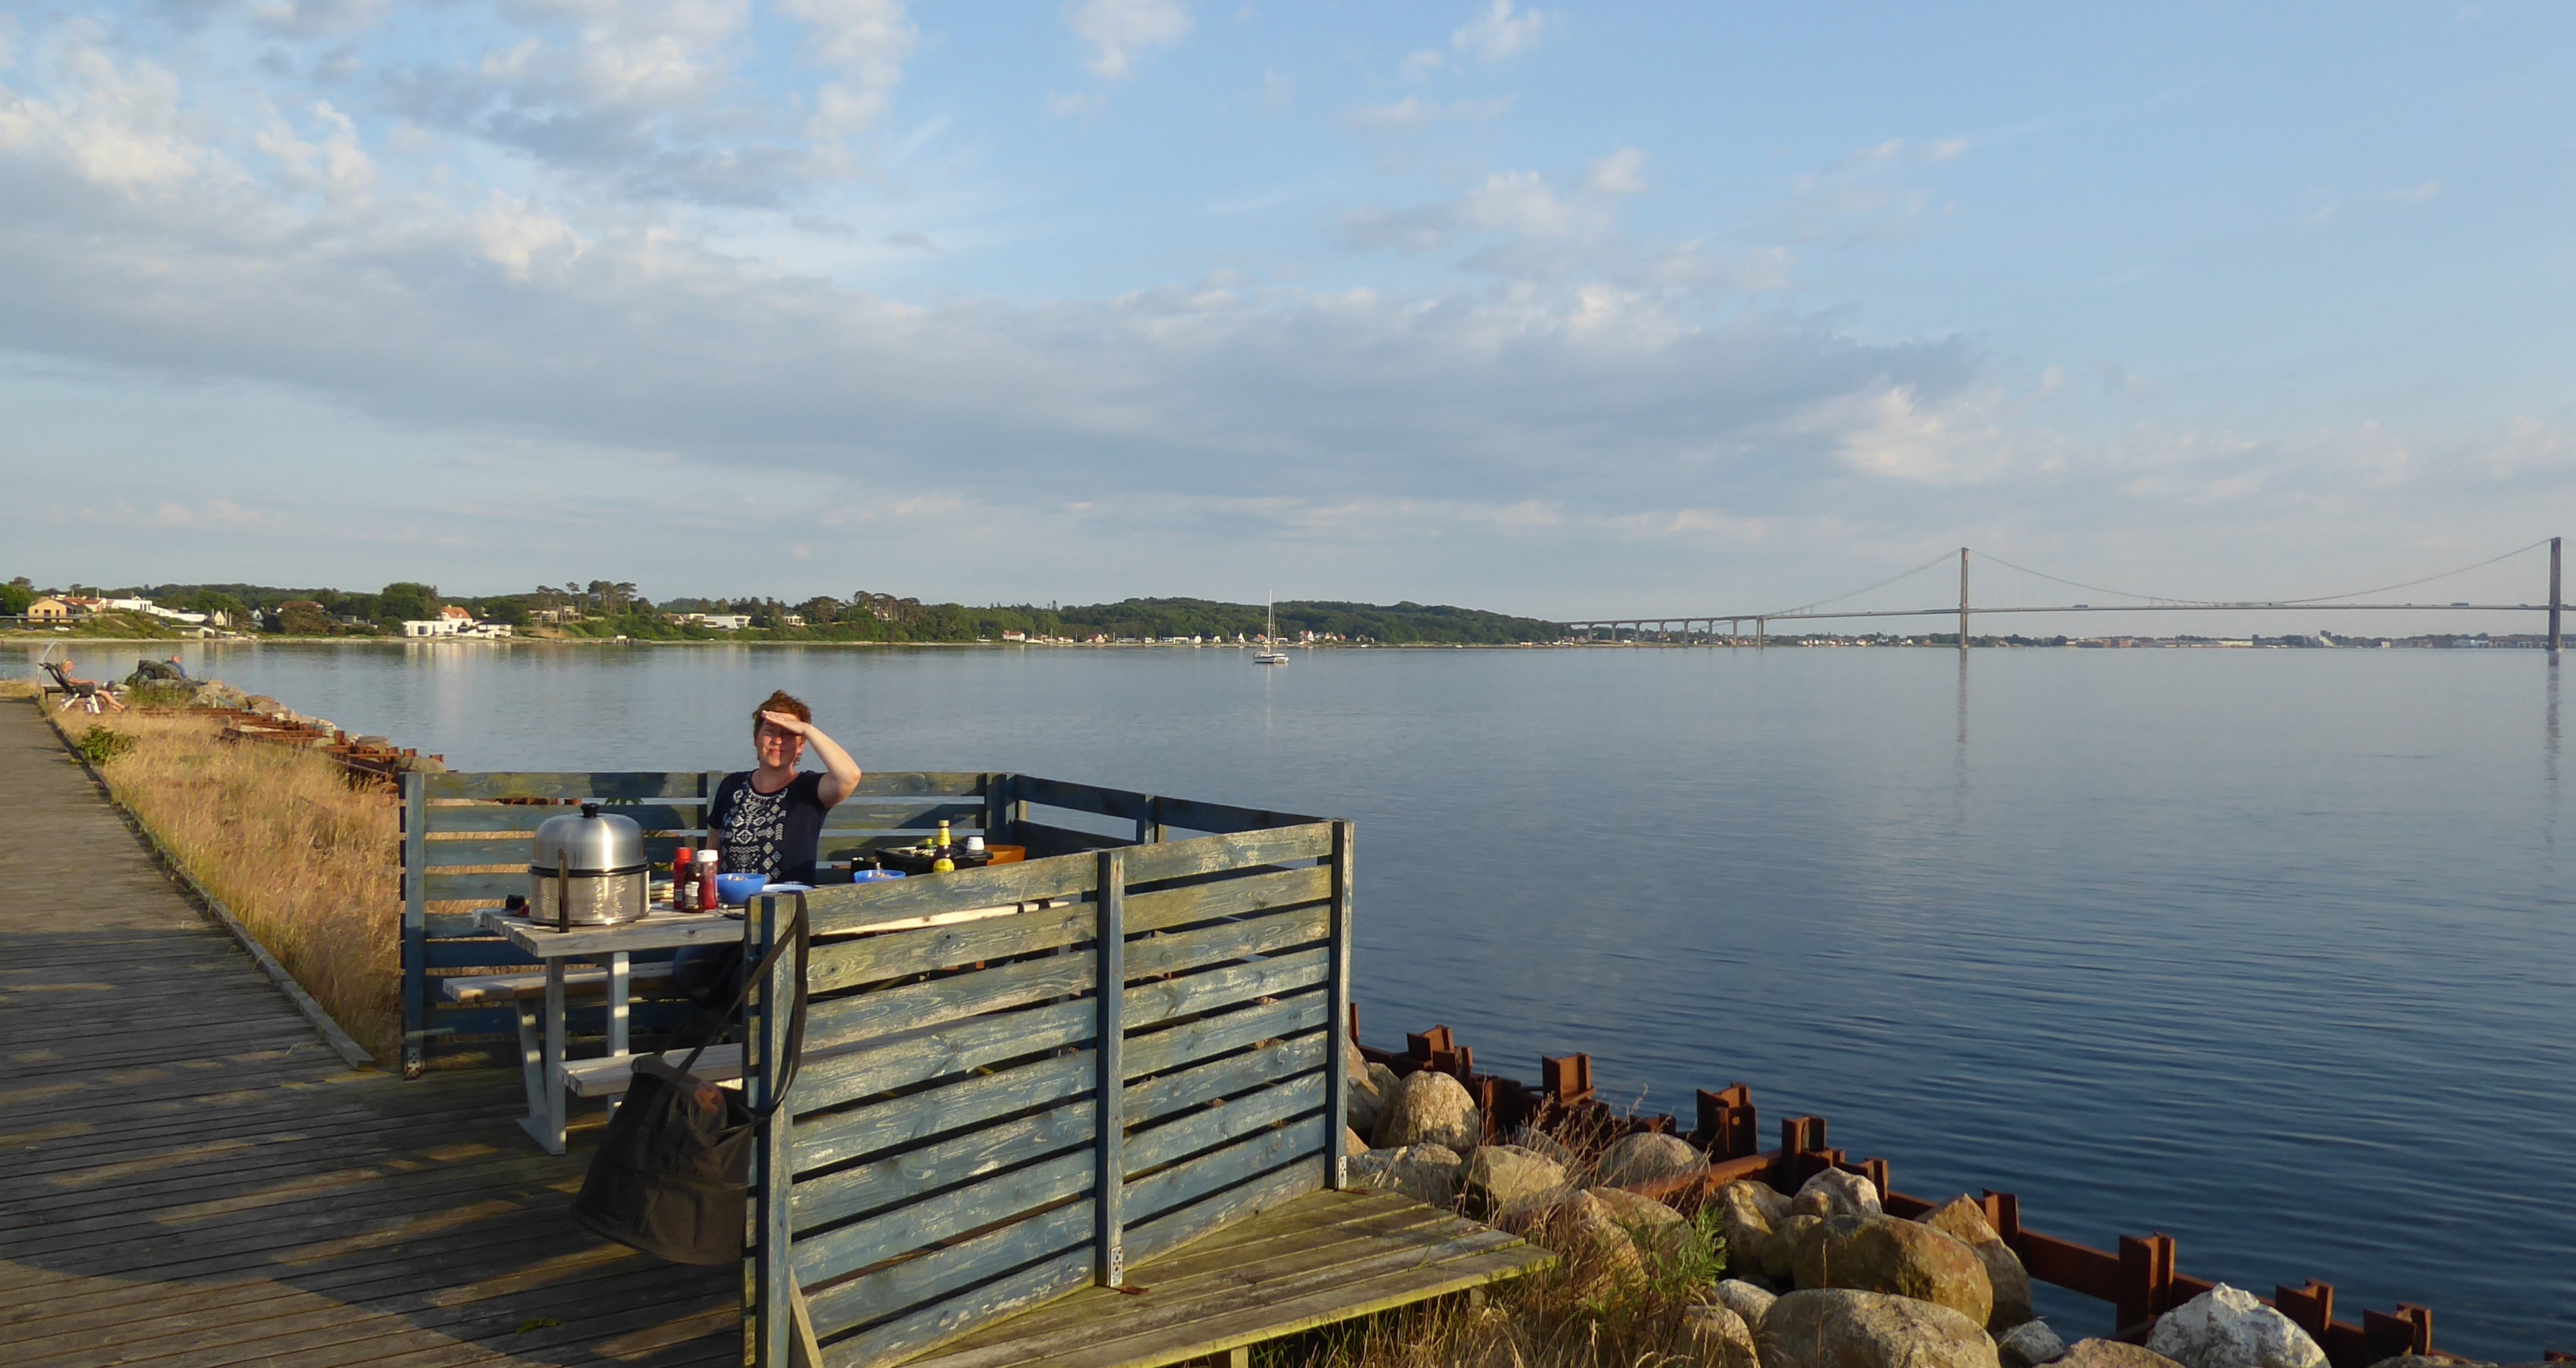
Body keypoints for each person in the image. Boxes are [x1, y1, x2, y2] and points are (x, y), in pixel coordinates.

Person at [669, 690, 863, 1009]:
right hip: (728, 916)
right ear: (756, 738)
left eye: (789, 736)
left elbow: (850, 776)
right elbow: (711, 851)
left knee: (748, 984)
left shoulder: (810, 790)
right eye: (770, 732)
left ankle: (743, 1047)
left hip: (782, 920)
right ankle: (722, 1039)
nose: (777, 742)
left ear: (801, 747)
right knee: (688, 972)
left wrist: (809, 729)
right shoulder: (732, 785)